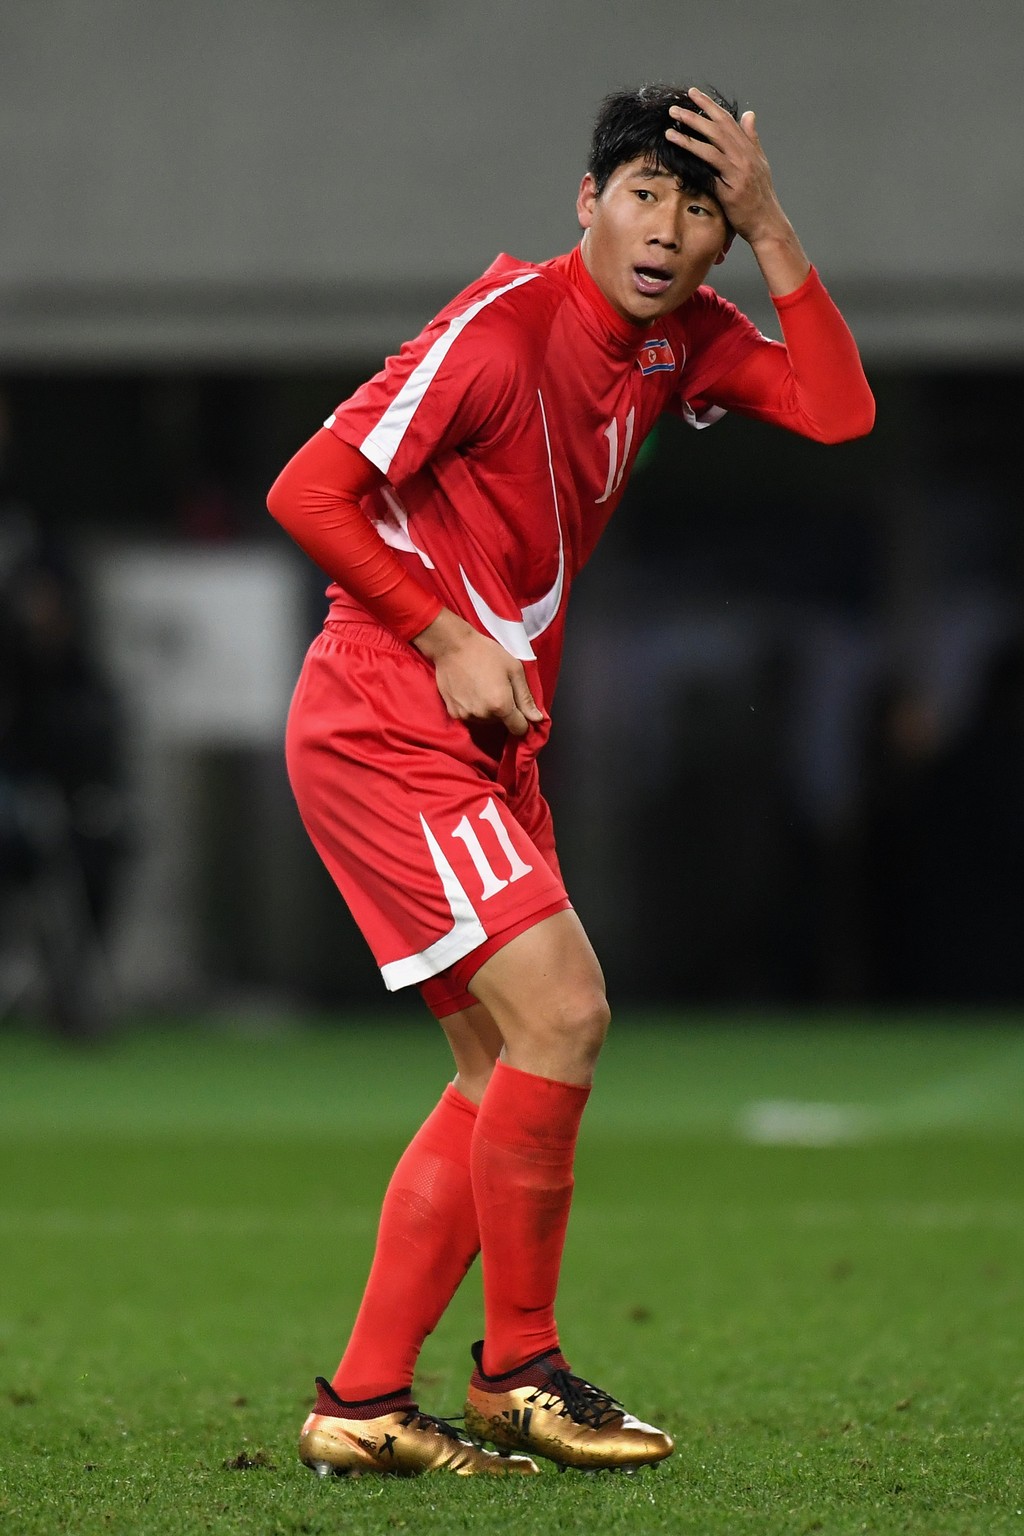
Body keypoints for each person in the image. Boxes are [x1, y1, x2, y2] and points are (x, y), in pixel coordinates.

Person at [267, 81, 874, 1479]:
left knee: (502, 1068)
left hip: (481, 728)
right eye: (645, 195)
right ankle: (518, 1372)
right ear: (587, 201)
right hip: (388, 703)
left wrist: (777, 226)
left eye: (702, 209)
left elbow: (838, 412)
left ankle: (365, 1403)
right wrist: (445, 635)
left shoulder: (681, 339)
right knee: (568, 1011)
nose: (667, 230)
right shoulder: (498, 330)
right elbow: (307, 490)